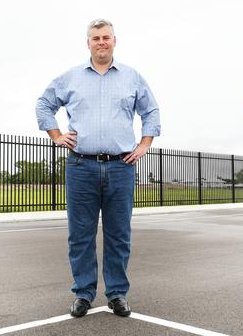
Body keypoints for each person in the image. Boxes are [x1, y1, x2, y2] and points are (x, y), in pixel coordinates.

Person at [35, 19, 160, 318]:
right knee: (80, 235)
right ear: (87, 43)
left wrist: (144, 145)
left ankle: (117, 293)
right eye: (95, 38)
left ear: (115, 41)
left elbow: (151, 110)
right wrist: (56, 135)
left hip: (120, 167)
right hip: (81, 166)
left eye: (106, 37)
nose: (101, 42)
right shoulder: (70, 78)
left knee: (119, 234)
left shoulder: (132, 77)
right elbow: (44, 104)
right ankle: (83, 293)